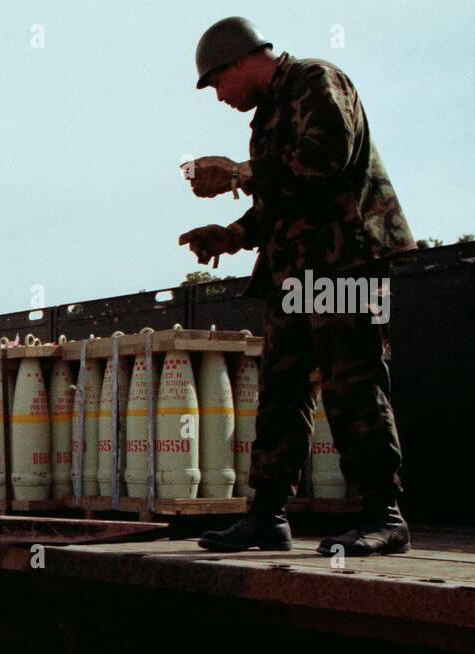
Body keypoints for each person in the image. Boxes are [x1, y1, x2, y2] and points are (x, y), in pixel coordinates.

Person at [178, 17, 415, 556]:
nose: (218, 97)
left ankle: (384, 515)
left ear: (239, 61)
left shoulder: (316, 81)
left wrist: (239, 173)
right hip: (296, 272)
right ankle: (266, 516)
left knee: (352, 384)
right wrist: (231, 235)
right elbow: (283, 199)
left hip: (345, 263)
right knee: (282, 393)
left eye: (216, 83)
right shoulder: (269, 114)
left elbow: (325, 160)